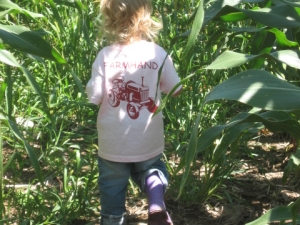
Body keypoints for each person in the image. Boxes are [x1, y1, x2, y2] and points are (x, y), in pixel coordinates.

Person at [86, 0, 182, 224]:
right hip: (147, 138)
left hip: (113, 144)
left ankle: (111, 219)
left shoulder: (105, 56)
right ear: (146, 17)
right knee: (152, 170)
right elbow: (175, 89)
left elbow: (96, 96)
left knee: (111, 186)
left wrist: (91, 85)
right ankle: (156, 200)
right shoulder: (158, 53)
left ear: (108, 21)